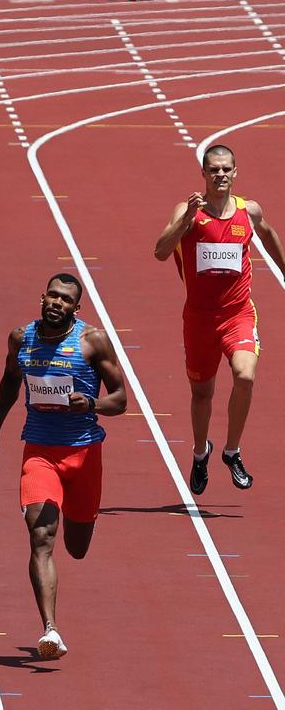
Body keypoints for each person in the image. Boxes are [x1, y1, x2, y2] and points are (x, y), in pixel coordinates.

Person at [0, 273, 126, 660]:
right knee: (41, 535)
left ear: (76, 308)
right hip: (40, 451)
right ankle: (51, 630)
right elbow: (10, 382)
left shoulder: (91, 341)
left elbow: (121, 398)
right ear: (42, 297)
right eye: (53, 296)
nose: (57, 304)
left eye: (66, 300)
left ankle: (80, 519)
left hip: (83, 454)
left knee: (76, 547)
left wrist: (92, 405)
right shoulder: (21, 339)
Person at [153, 145, 285, 495]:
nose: (221, 175)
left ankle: (232, 451)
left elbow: (269, 235)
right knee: (202, 394)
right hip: (199, 319)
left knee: (245, 375)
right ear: (204, 174)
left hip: (238, 314)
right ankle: (200, 454)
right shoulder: (188, 211)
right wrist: (185, 221)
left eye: (226, 169)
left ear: (235, 172)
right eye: (214, 170)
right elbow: (160, 251)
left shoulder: (248, 211)